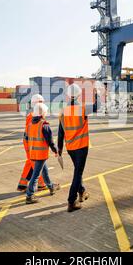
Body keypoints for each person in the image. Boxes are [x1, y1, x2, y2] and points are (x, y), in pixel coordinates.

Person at [58, 84, 90, 212]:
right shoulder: (83, 109)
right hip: (81, 147)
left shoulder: (63, 112)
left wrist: (59, 150)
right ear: (78, 95)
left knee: (78, 170)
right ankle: (71, 201)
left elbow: (61, 133)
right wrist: (99, 93)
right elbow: (98, 106)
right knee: (78, 172)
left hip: (70, 148)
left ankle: (82, 192)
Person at [26, 103, 60, 204]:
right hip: (41, 153)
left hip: (34, 153)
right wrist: (56, 150)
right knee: (36, 174)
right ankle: (29, 195)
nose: (46, 113)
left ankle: (51, 187)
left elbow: (27, 138)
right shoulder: (44, 124)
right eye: (45, 112)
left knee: (44, 171)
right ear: (42, 113)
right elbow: (50, 141)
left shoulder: (31, 124)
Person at [17, 94, 47, 192]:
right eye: (41, 102)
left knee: (31, 162)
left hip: (29, 141)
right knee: (37, 163)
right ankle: (42, 184)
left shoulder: (33, 114)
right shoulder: (34, 116)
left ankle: (22, 184)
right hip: (31, 142)